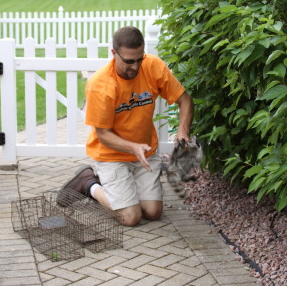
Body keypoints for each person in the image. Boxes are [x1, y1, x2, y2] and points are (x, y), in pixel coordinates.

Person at [59, 26, 194, 226]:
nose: (136, 66)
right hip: (111, 155)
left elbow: (185, 101)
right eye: (129, 61)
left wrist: (183, 130)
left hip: (145, 153)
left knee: (153, 212)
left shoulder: (153, 66)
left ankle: (124, 192)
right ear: (114, 53)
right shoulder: (100, 85)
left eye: (140, 59)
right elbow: (103, 134)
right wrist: (133, 147)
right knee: (131, 217)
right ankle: (89, 184)